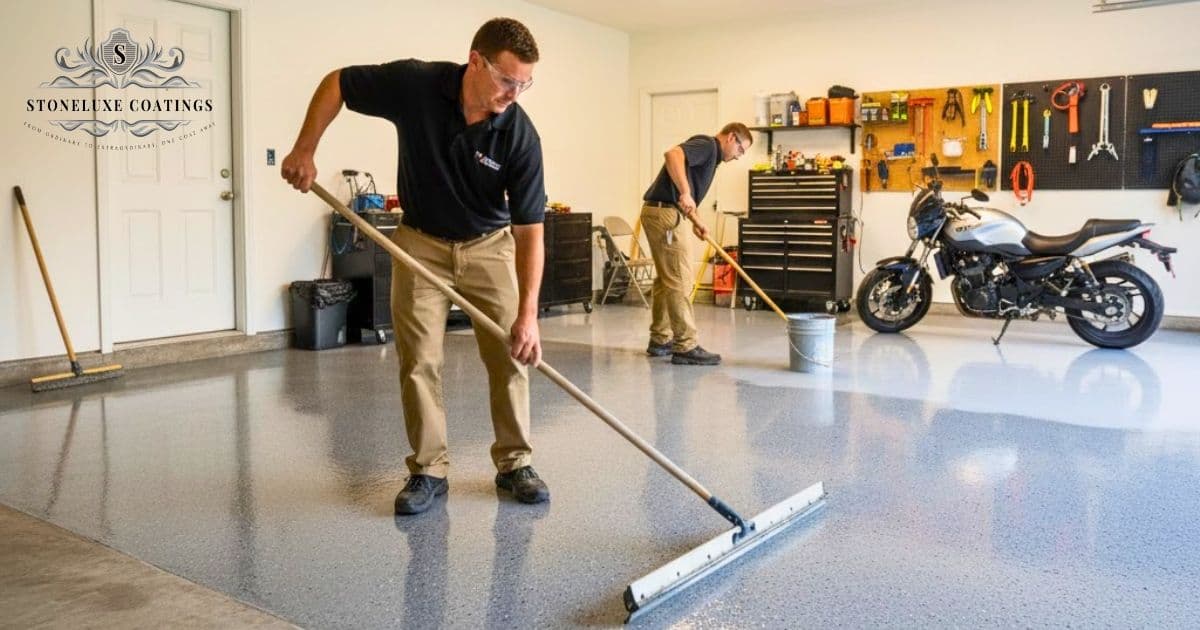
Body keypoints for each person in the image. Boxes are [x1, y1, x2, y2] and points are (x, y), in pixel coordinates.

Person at [281, 18, 549, 515]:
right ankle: (429, 469)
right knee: (419, 360)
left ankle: (515, 463)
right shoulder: (417, 85)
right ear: (476, 61)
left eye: (524, 84)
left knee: (510, 355)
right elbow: (338, 82)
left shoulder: (518, 135)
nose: (515, 94)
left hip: (490, 246)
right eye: (507, 80)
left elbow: (531, 231)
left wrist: (528, 315)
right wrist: (305, 148)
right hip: (420, 244)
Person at [640, 123, 752, 366]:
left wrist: (697, 221)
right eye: (741, 150)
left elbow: (684, 198)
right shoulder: (708, 145)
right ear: (732, 137)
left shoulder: (712, 157)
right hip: (665, 215)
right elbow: (673, 155)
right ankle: (686, 345)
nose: (738, 156)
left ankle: (660, 339)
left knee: (666, 278)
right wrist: (685, 191)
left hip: (663, 212)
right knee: (680, 279)